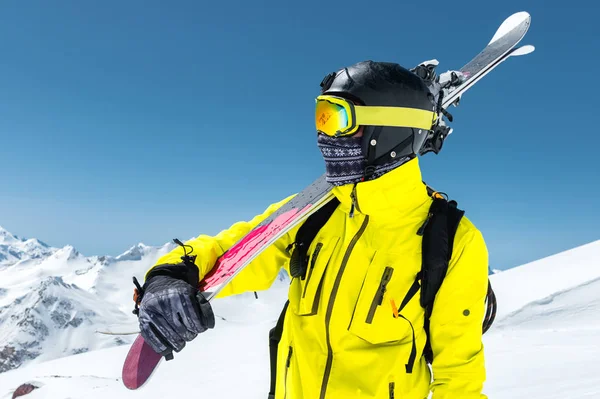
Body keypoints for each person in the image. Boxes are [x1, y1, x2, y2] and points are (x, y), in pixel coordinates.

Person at [135, 60, 490, 399]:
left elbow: (459, 373)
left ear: (387, 130)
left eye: (337, 120)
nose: (323, 136)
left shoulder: (451, 241)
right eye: (320, 116)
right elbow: (236, 250)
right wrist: (171, 274)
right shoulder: (313, 211)